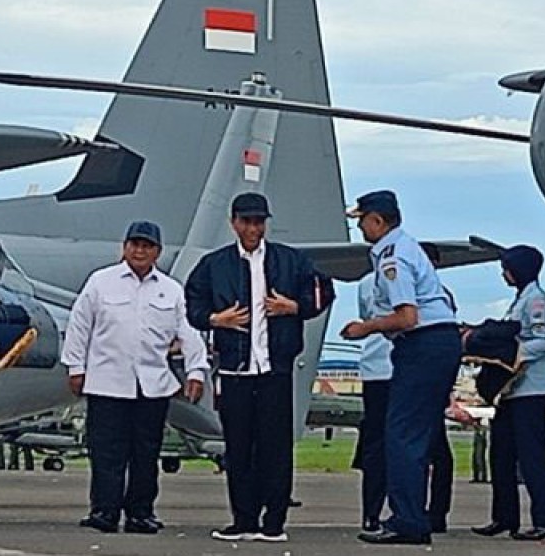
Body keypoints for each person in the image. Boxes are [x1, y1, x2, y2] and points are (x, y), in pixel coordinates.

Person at [186, 193, 333, 543]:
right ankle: (244, 519)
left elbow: (323, 291)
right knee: (238, 448)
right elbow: (191, 303)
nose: (253, 228)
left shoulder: (290, 260)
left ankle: (274, 521)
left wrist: (295, 307)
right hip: (236, 371)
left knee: (276, 447)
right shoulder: (215, 264)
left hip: (275, 371)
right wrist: (213, 319)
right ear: (234, 223)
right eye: (246, 221)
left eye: (259, 222)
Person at [65, 221, 209, 534]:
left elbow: (189, 333)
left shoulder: (170, 289)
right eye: (134, 244)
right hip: (107, 382)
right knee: (106, 453)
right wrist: (75, 367)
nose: (139, 250)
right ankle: (104, 511)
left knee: (145, 453)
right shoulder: (101, 282)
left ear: (157, 251)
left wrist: (196, 370)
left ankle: (140, 512)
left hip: (152, 384)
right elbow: (79, 326)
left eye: (146, 246)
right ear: (124, 247)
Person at [341, 190, 461, 546]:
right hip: (438, 344)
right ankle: (415, 516)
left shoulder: (392, 257)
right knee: (418, 434)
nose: (360, 227)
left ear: (377, 221)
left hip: (422, 345)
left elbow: (407, 316)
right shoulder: (406, 249)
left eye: (362, 220)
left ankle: (407, 519)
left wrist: (366, 327)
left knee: (401, 433)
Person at [351, 273, 454, 537]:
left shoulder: (366, 283)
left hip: (378, 366)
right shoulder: (438, 291)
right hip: (411, 366)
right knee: (427, 444)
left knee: (377, 445)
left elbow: (369, 316)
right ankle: (428, 513)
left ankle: (371, 514)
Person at [473, 244, 545, 541]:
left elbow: (542, 341)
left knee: (531, 456)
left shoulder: (537, 301)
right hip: (511, 390)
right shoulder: (520, 301)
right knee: (501, 454)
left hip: (531, 388)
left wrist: (511, 357)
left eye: (507, 268)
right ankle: (504, 516)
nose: (503, 274)